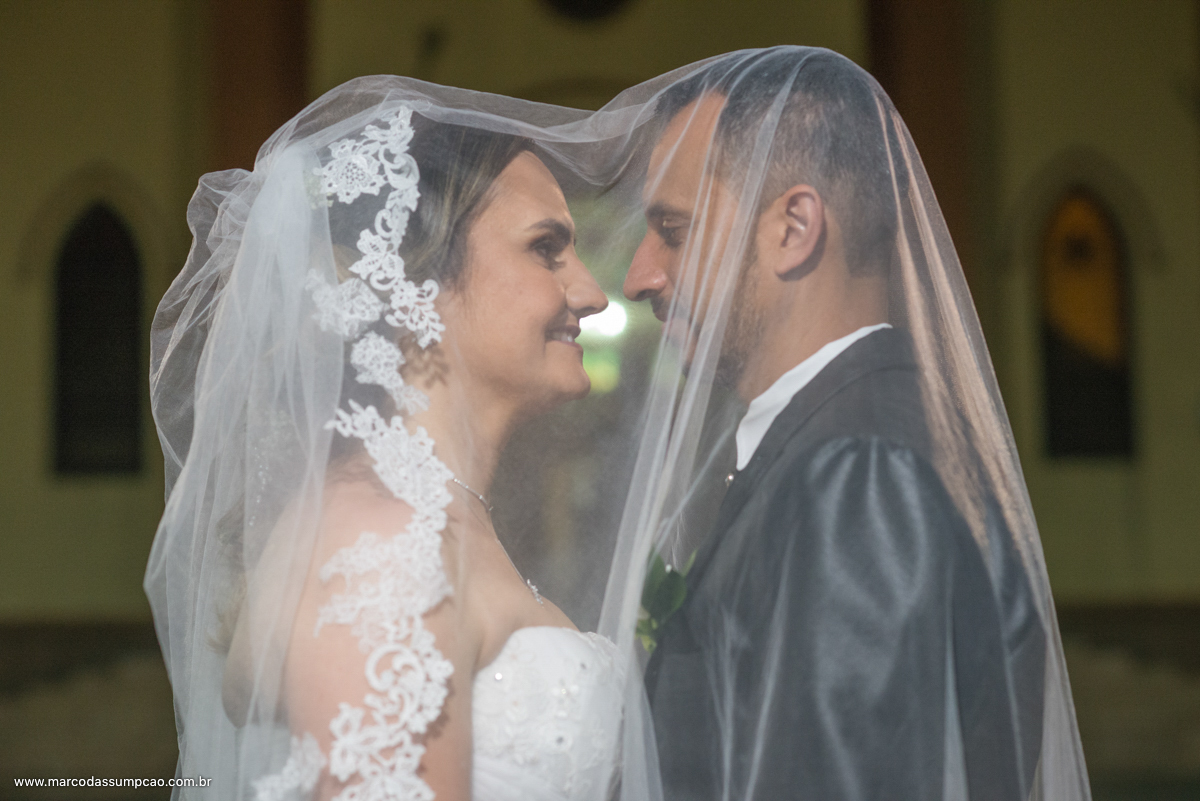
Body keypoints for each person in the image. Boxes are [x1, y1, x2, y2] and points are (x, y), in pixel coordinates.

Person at [599, 47, 1092, 800]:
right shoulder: (842, 440)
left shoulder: (859, 474)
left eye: (674, 228)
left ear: (794, 227)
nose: (638, 276)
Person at [145, 83, 626, 801]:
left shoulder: (428, 513)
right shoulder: (380, 542)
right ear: (417, 282)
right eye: (546, 248)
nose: (591, 293)